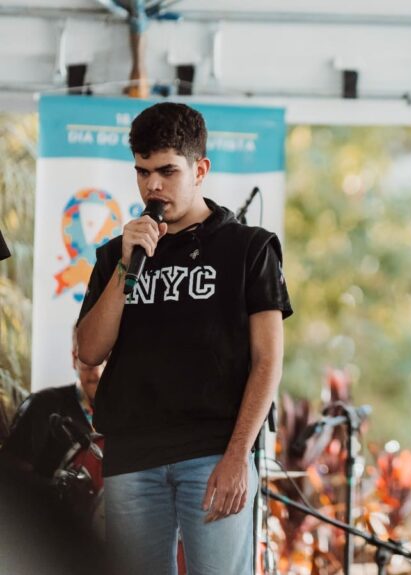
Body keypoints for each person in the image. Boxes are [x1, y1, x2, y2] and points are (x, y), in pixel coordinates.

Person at [76, 102, 292, 574]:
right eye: (143, 172)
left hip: (214, 450)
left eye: (167, 171)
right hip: (133, 452)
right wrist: (126, 267)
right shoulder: (118, 252)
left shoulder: (249, 248)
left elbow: (267, 361)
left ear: (200, 169)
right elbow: (89, 350)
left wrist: (239, 455)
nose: (152, 186)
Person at [0, 326, 104, 479]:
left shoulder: (133, 417)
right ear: (74, 359)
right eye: (88, 359)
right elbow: (9, 479)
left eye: (107, 359)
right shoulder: (43, 406)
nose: (98, 373)